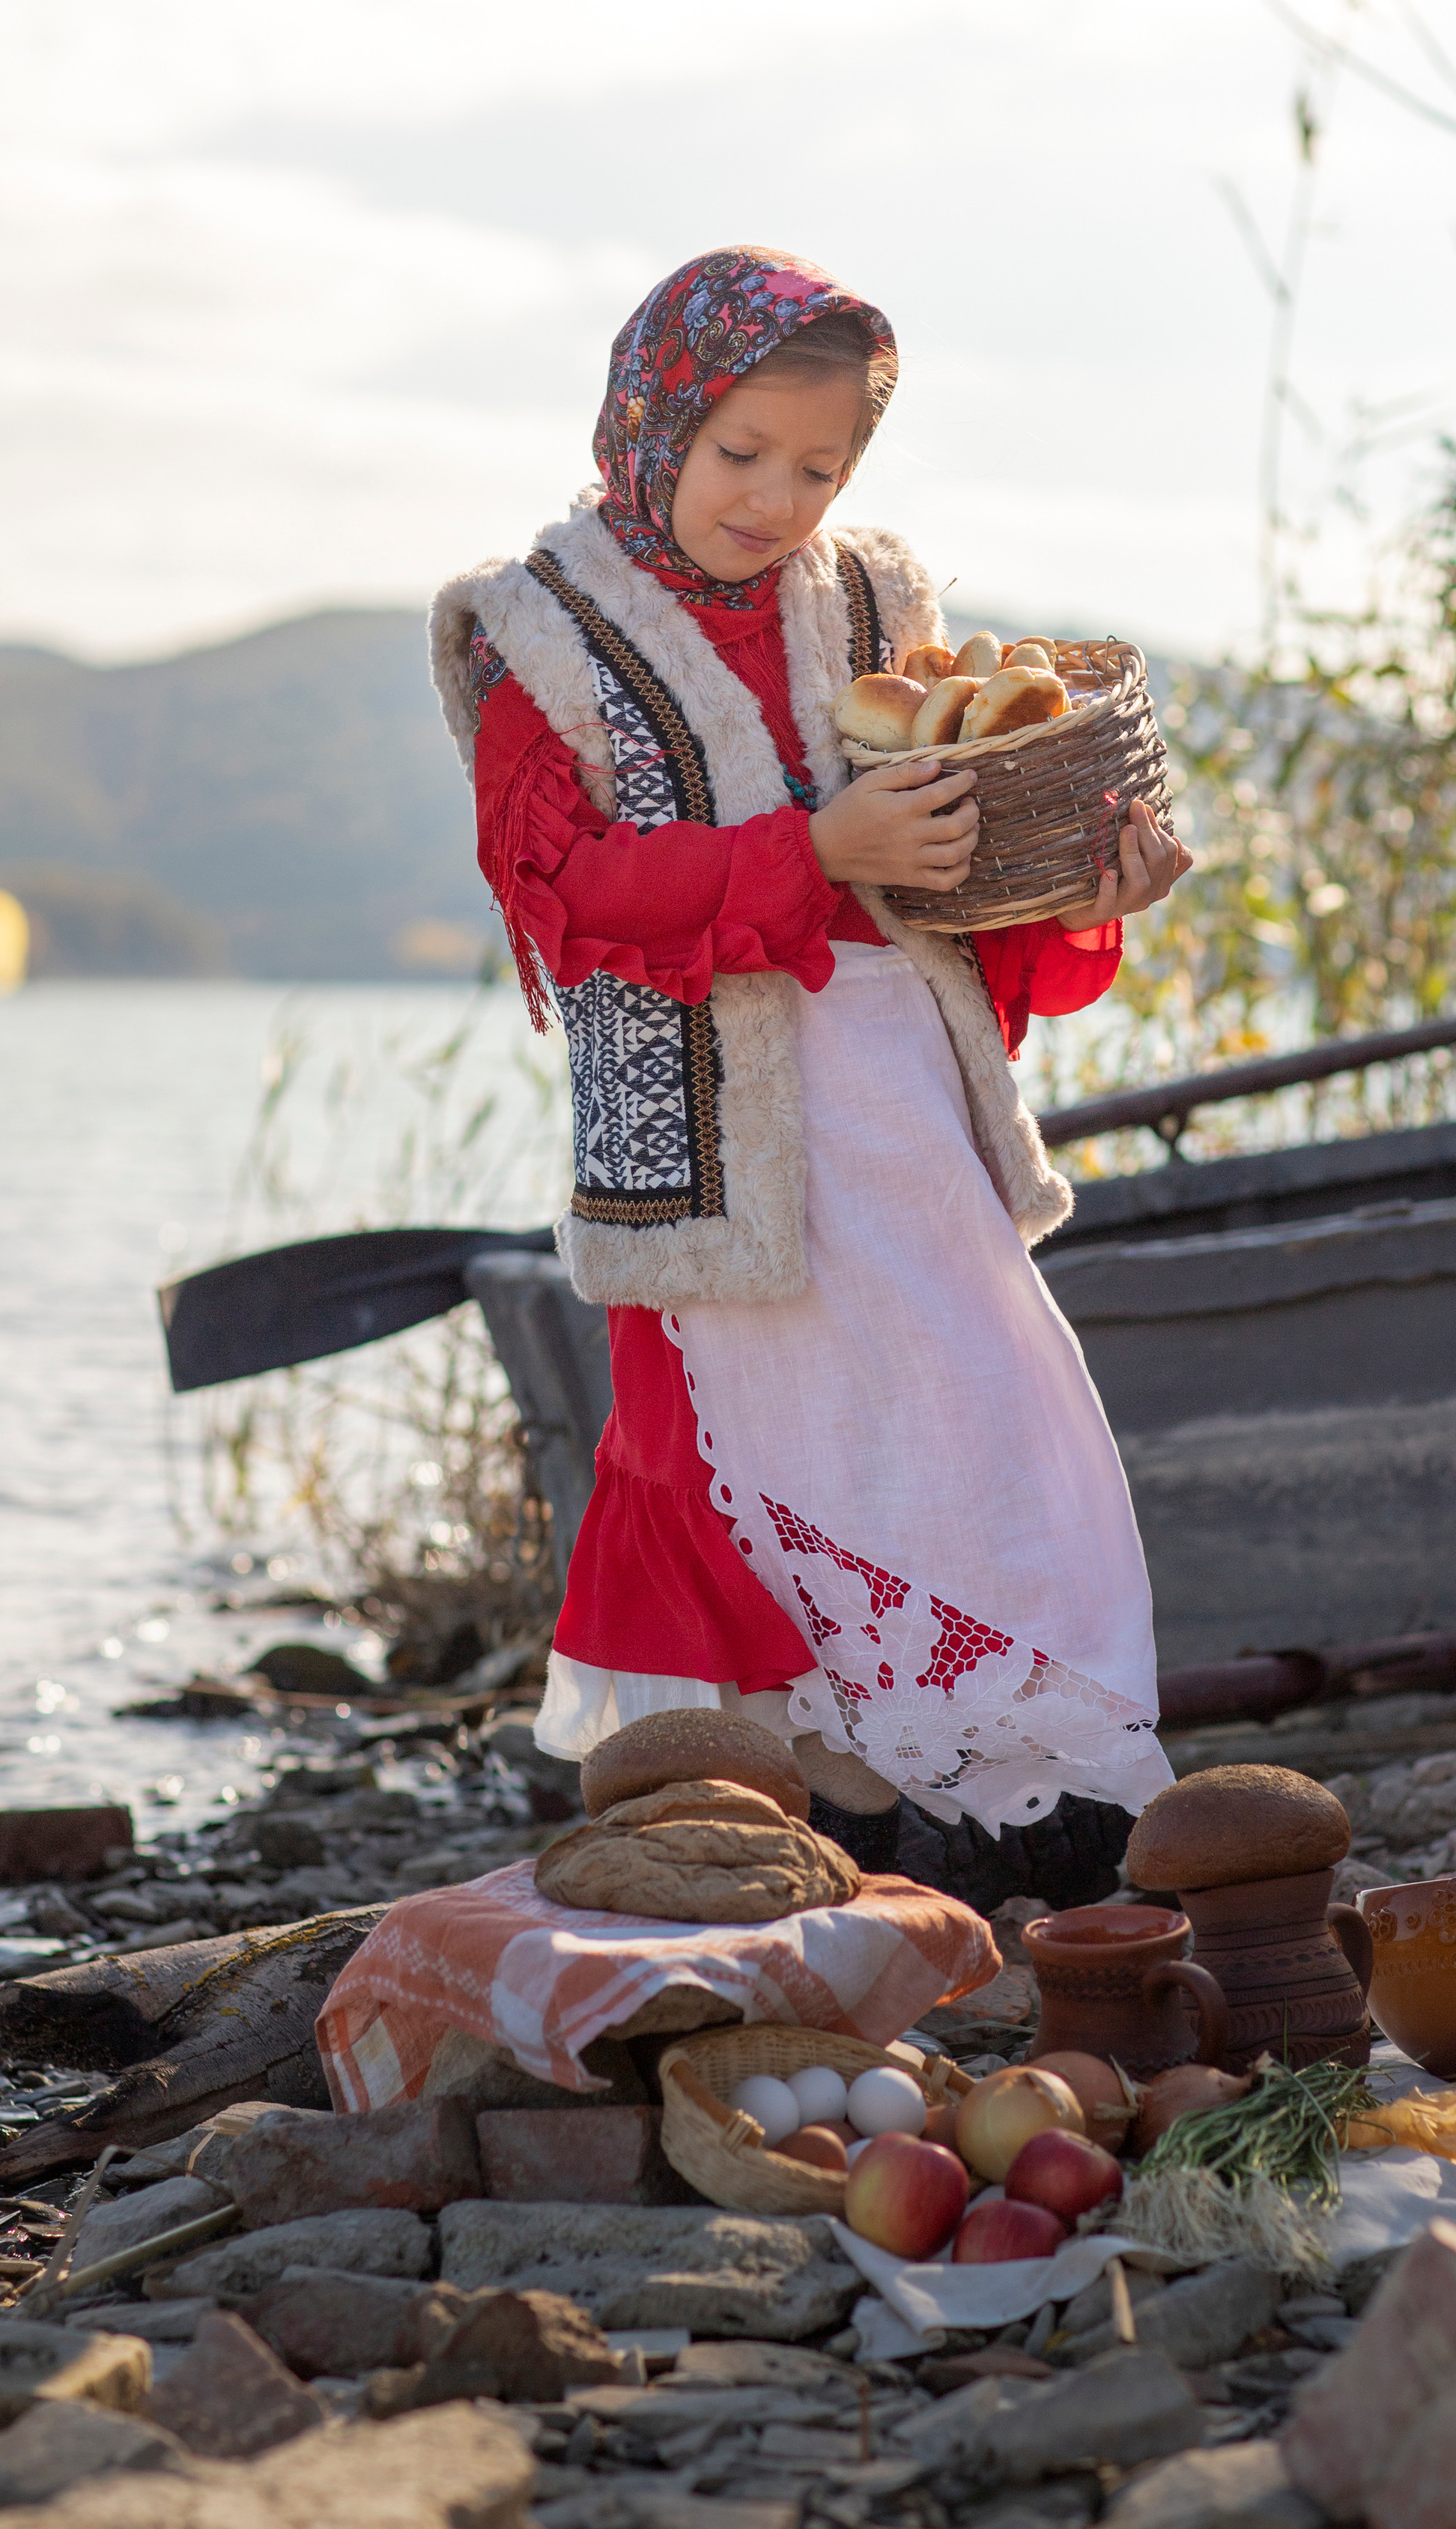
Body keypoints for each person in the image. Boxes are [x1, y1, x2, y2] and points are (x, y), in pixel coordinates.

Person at [431, 245, 1192, 1909]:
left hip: (899, 1107)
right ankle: (824, 1824)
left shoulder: (870, 615)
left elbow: (951, 889)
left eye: (820, 468)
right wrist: (806, 848)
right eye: (739, 455)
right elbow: (569, 907)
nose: (776, 500)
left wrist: (1076, 886)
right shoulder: (537, 635)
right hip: (715, 1143)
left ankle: (1024, 1806)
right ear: (651, 420)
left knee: (987, 1423)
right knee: (776, 1462)